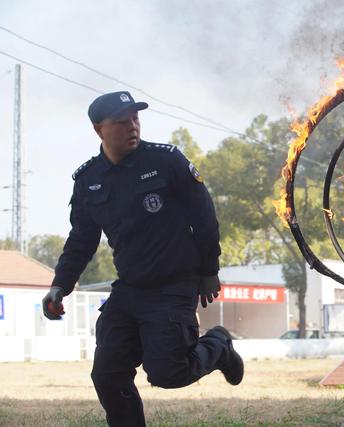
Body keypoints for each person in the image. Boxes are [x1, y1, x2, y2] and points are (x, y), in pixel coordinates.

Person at [41, 91, 243, 426]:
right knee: (108, 375)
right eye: (121, 122)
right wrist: (60, 285)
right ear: (98, 129)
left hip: (173, 284)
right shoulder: (89, 180)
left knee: (169, 373)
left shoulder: (167, 161)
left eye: (135, 119)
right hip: (129, 289)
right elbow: (82, 239)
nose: (132, 127)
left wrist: (209, 270)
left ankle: (219, 345)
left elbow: (204, 216)